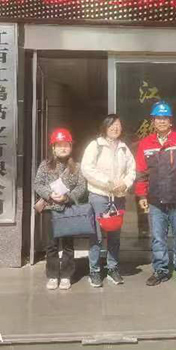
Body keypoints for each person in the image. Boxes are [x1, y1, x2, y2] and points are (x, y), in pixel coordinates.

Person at [135, 101, 176, 288]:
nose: (161, 121)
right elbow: (141, 173)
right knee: (157, 238)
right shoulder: (146, 143)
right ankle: (161, 270)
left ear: (170, 121)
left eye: (165, 118)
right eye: (158, 118)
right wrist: (142, 196)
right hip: (155, 200)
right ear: (153, 121)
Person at [81, 114, 136, 288]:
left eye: (118, 124)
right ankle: (95, 271)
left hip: (118, 197)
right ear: (105, 127)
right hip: (99, 196)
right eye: (112, 125)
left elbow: (132, 169)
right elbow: (87, 168)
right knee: (96, 236)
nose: (115, 128)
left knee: (115, 235)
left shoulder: (124, 148)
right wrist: (108, 183)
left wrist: (125, 183)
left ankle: (113, 268)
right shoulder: (95, 145)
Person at [33, 128, 87, 291]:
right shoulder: (45, 165)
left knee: (68, 244)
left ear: (71, 147)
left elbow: (81, 187)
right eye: (60, 145)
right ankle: (52, 274)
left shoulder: (76, 167)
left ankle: (66, 275)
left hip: (68, 209)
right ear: (53, 148)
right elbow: (38, 184)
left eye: (66, 145)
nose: (63, 148)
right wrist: (49, 194)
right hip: (50, 209)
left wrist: (67, 197)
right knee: (51, 244)